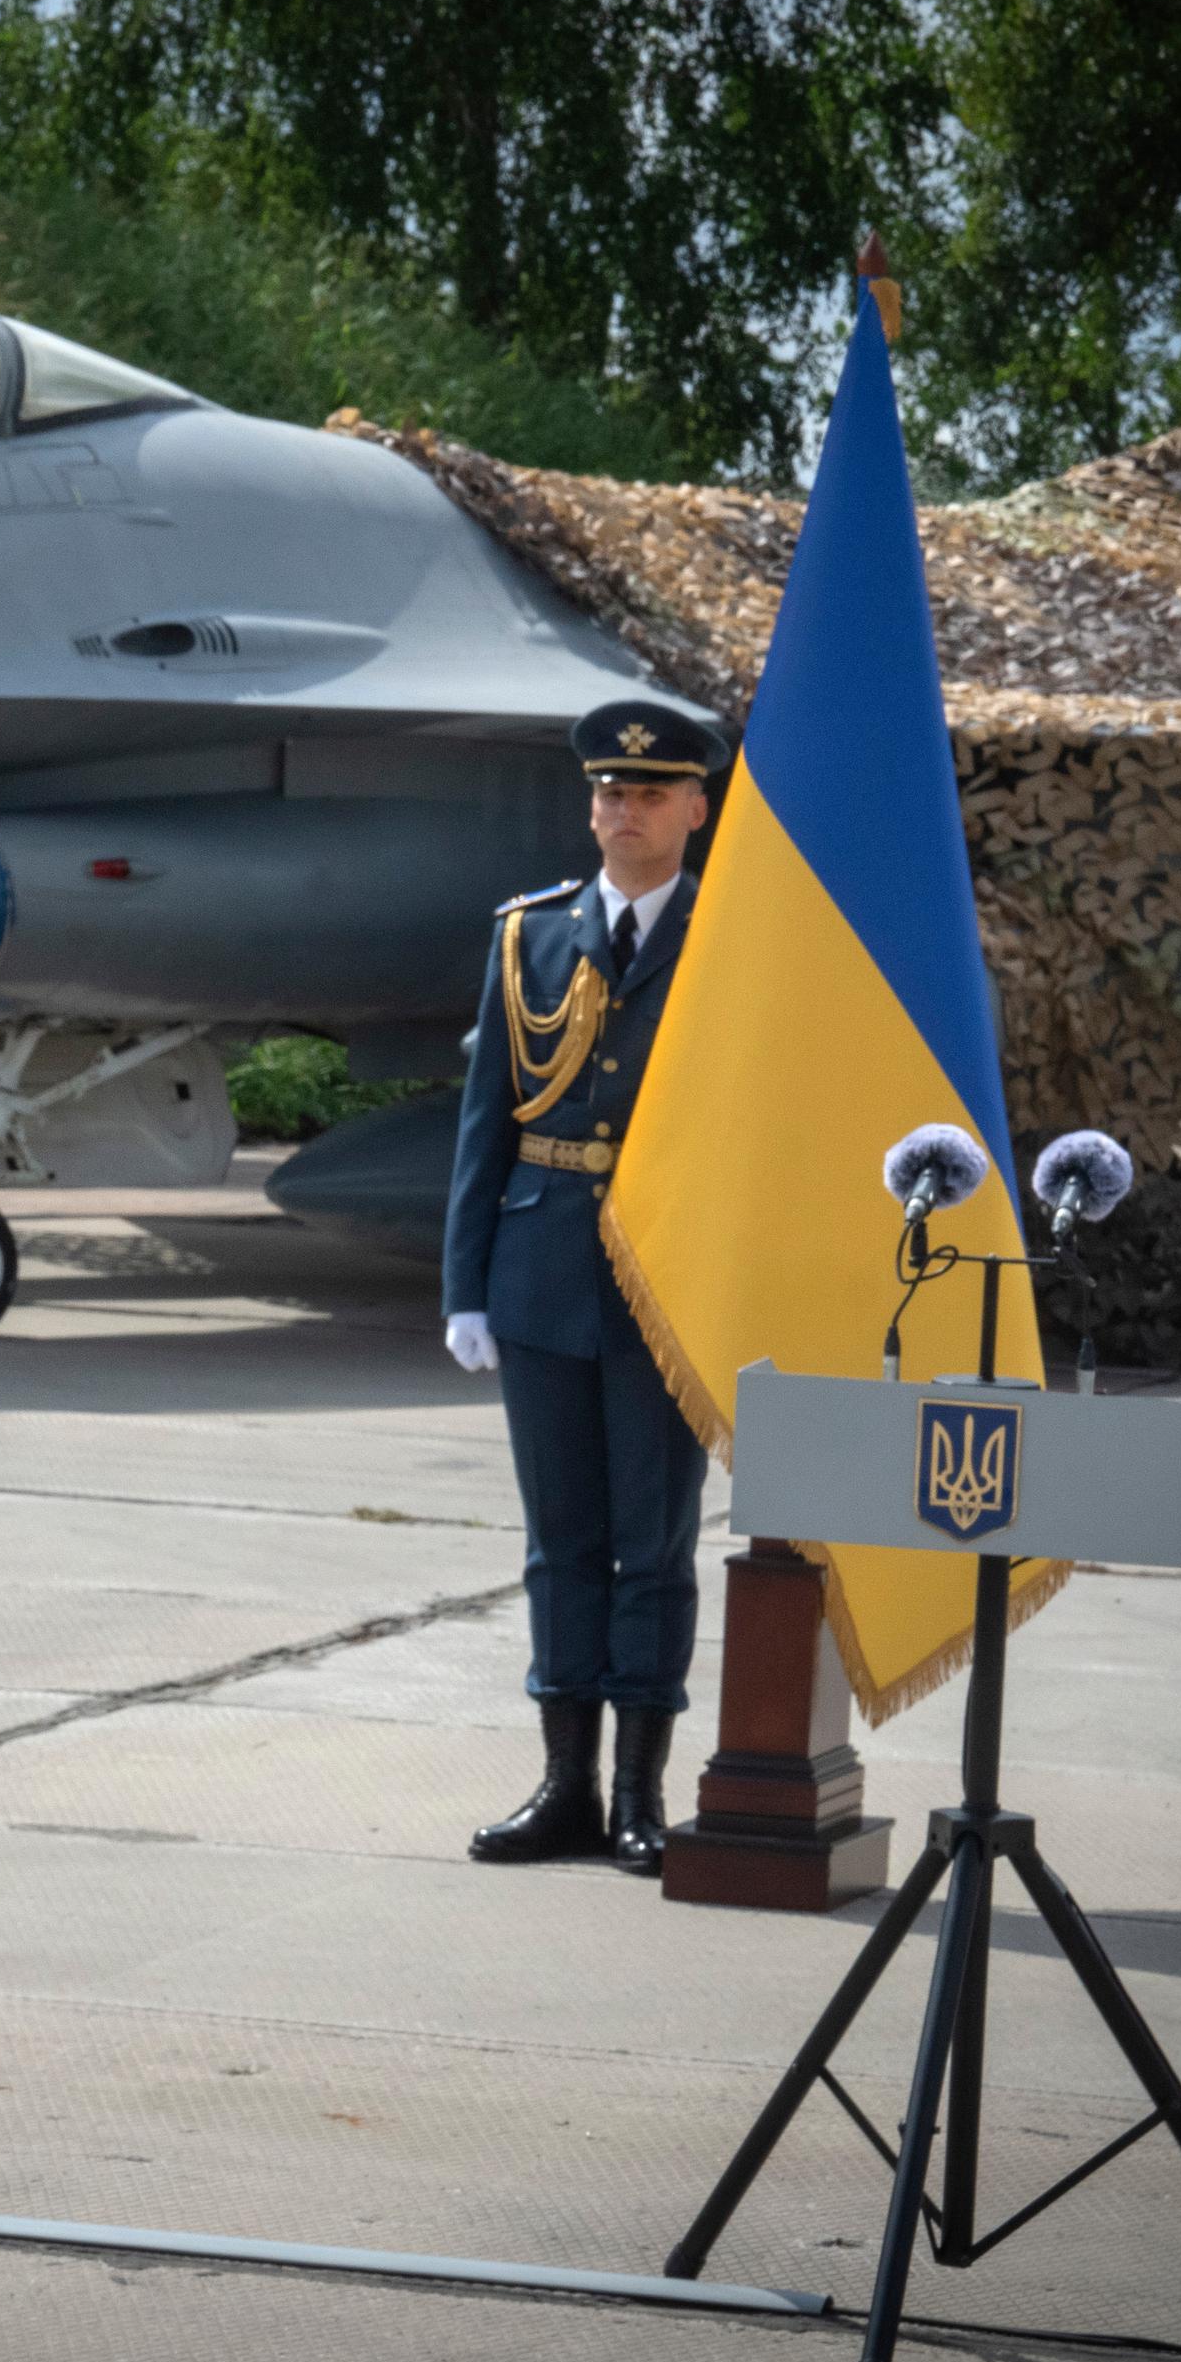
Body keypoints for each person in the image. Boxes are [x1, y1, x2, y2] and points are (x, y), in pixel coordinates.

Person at [443, 700, 728, 1878]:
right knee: (560, 1543)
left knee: (651, 1549)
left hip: (671, 1281)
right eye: (609, 792)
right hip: (543, 1268)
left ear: (697, 808)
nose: (625, 810)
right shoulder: (531, 937)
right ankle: (564, 1784)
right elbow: (486, 1121)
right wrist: (467, 1281)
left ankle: (637, 1794)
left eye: (652, 793)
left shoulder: (732, 940)